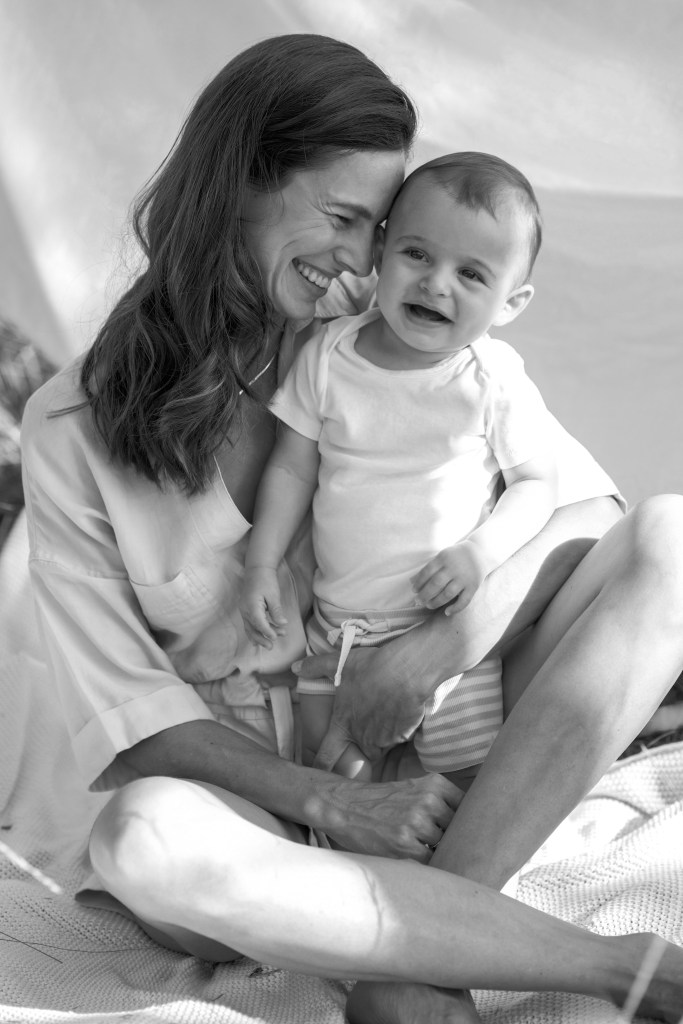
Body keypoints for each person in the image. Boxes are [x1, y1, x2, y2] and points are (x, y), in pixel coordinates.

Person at [19, 32, 683, 1024]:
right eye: (340, 217)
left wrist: (439, 647)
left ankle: (418, 964)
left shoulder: (381, 338)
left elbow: (585, 510)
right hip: (267, 814)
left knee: (672, 538)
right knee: (141, 840)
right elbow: (134, 720)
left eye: (374, 227)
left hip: (447, 740)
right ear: (237, 185)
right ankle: (616, 968)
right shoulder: (71, 429)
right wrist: (333, 800)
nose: (360, 258)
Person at [240, 152, 558, 785]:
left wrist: (480, 554)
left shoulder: (491, 379)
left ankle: (458, 843)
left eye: (471, 274)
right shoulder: (328, 356)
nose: (436, 284)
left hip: (443, 637)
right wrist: (262, 562)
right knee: (331, 779)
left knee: (464, 779)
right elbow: (293, 471)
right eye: (417, 254)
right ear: (381, 251)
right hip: (337, 633)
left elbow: (537, 484)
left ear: (511, 302)